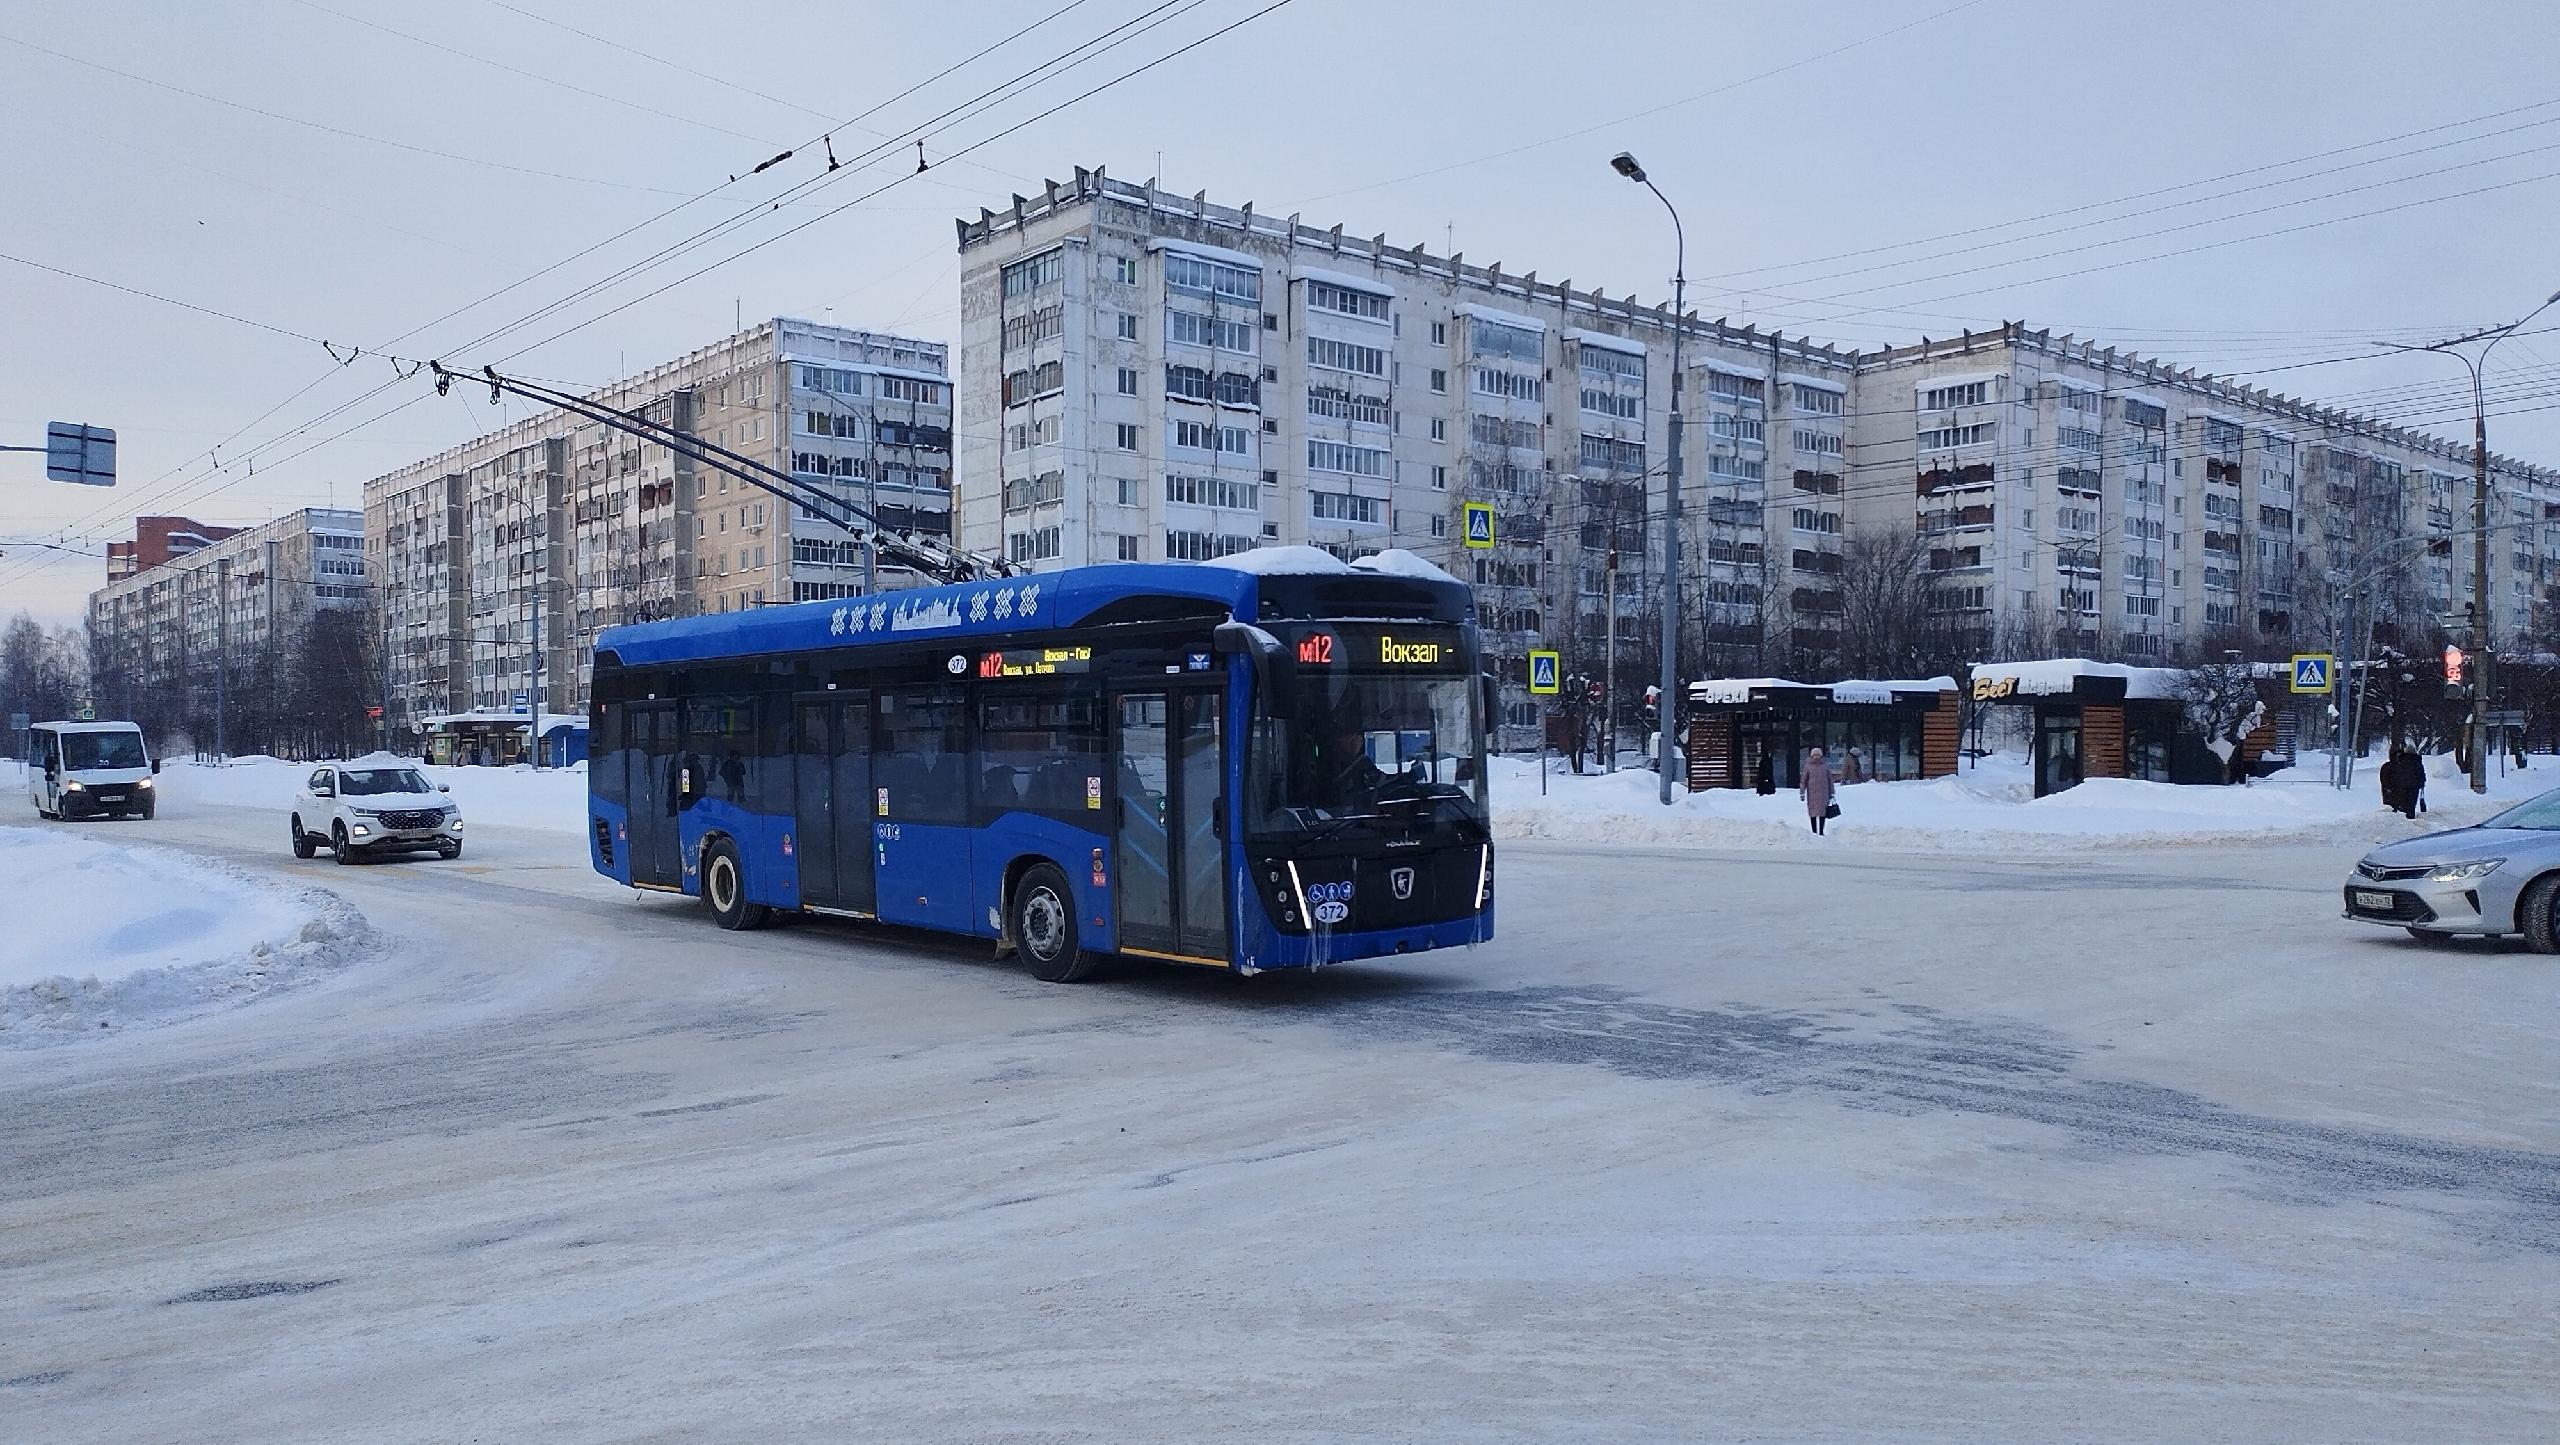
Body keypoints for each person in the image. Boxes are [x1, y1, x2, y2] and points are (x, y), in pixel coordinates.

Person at [1800, 746, 1835, 837]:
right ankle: (1814, 831)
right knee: (1813, 813)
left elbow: (1830, 780)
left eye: (1818, 755)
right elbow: (1803, 781)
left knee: (1823, 812)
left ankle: (1821, 831)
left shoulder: (1825, 767)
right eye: (1814, 755)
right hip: (1812, 794)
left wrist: (1832, 792)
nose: (1816, 757)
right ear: (1811, 756)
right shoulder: (1807, 767)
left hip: (1824, 793)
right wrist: (1802, 792)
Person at [2380, 747, 2421, 820]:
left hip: (2401, 788)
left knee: (2402, 806)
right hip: (2408, 788)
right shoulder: (2416, 761)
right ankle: (2408, 818)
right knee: (2408, 805)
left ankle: (2404, 819)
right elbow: (2421, 775)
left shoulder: (2401, 764)